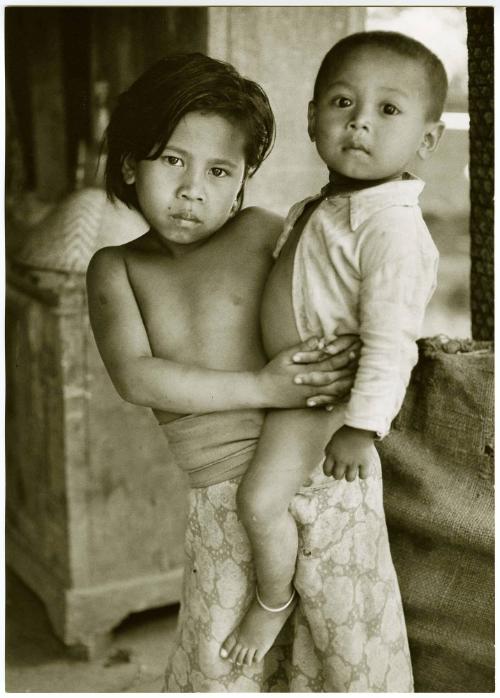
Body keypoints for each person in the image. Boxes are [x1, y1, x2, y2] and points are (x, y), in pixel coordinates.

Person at [86, 52, 369, 692]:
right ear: (131, 163)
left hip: (323, 471)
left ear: (241, 181)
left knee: (345, 651)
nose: (193, 189)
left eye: (219, 171)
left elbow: (334, 305)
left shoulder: (267, 232)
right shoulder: (118, 268)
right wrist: (260, 387)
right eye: (172, 160)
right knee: (219, 666)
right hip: (222, 496)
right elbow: (136, 376)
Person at [221, 29, 446, 683]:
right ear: (314, 117)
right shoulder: (323, 205)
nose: (360, 124)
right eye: (343, 103)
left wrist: (362, 425)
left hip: (321, 400)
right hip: (289, 382)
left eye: (388, 110)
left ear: (426, 141)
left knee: (260, 501)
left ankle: (271, 602)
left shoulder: (393, 229)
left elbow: (390, 341)